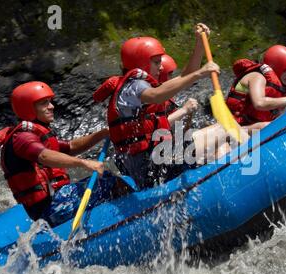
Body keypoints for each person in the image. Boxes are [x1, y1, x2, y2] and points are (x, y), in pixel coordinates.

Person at [93, 23, 229, 188]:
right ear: (142, 64)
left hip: (159, 157)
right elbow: (156, 97)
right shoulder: (132, 87)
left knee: (222, 144)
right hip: (151, 165)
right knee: (223, 131)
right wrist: (200, 73)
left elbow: (186, 76)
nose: (162, 67)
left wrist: (200, 43)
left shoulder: (140, 86)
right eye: (157, 62)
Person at [0, 81, 113, 227]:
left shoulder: (33, 133)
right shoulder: (22, 138)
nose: (52, 106)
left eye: (50, 102)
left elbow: (70, 147)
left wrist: (103, 133)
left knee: (105, 178)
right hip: (51, 209)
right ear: (29, 108)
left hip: (55, 201)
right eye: (44, 103)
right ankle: (133, 218)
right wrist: (84, 162)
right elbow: (44, 157)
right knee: (109, 181)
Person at [226, 45, 286, 130]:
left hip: (249, 129)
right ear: (278, 66)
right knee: (268, 127)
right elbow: (259, 103)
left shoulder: (278, 89)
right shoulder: (257, 77)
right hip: (233, 127)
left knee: (279, 124)